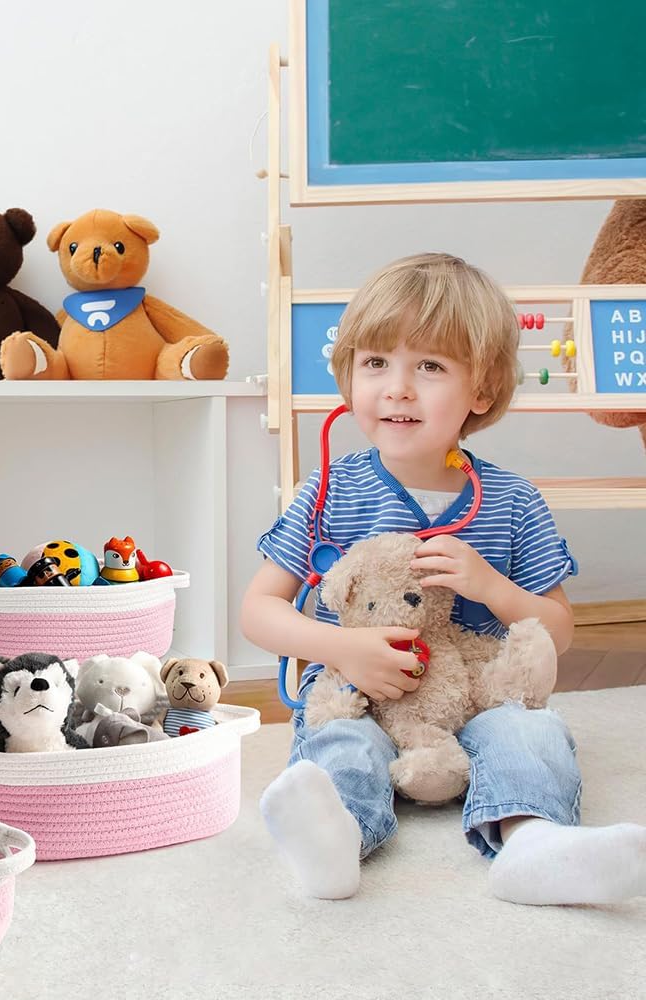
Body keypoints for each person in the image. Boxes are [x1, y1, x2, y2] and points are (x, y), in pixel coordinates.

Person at [241, 252, 646, 905]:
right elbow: (259, 609)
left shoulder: (513, 502)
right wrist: (341, 648)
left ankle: (534, 842)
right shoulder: (329, 489)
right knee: (341, 740)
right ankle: (336, 843)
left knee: (531, 731)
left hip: (479, 697)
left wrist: (491, 588)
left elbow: (559, 631)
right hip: (364, 694)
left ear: (481, 391)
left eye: (429, 366)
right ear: (349, 375)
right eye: (376, 362)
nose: (398, 388)